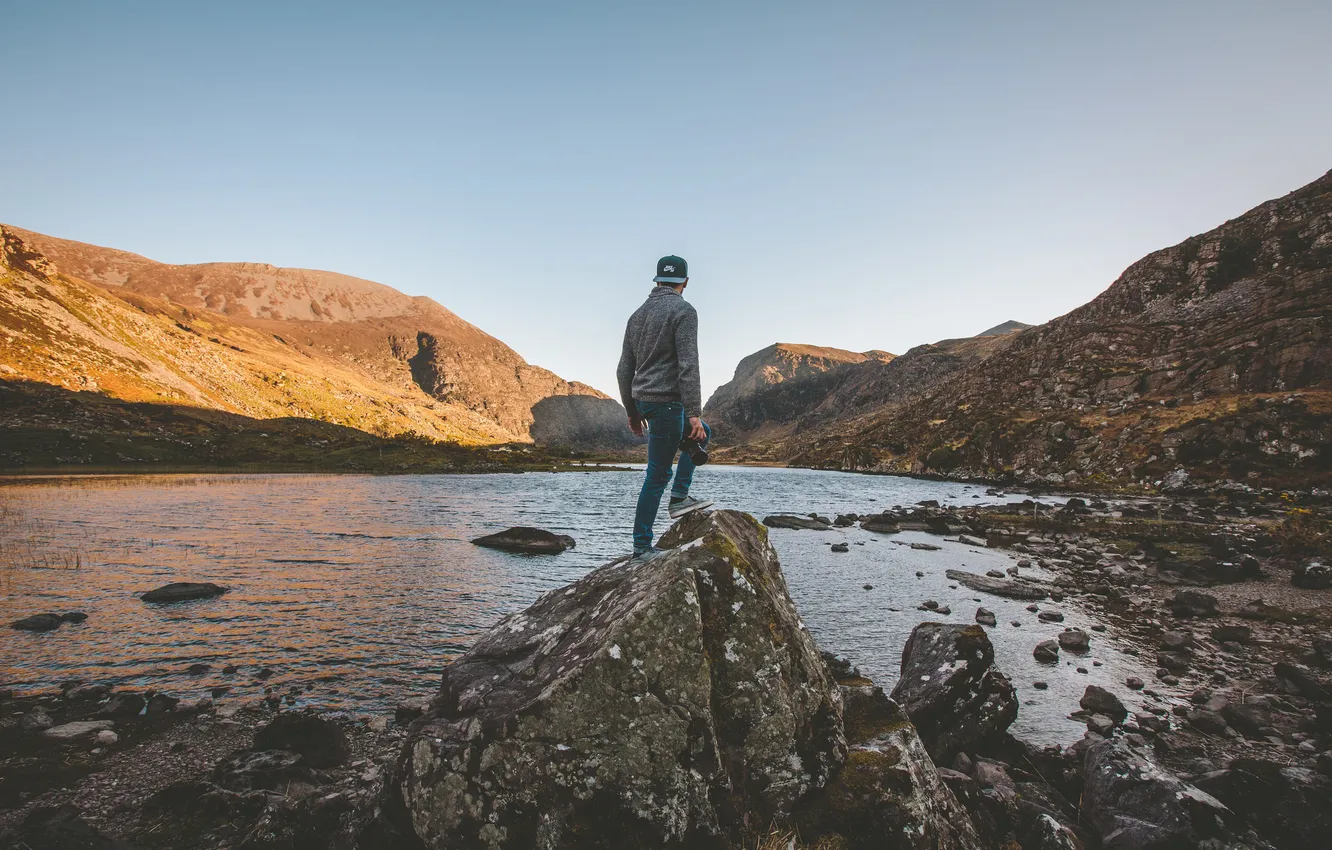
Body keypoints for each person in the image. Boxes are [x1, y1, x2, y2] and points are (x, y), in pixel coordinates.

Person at [617, 254, 714, 557]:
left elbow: (624, 369)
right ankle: (642, 546)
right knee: (658, 473)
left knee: (702, 434)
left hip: (646, 402)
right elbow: (688, 365)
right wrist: (694, 413)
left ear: (657, 280)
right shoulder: (683, 311)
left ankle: (679, 498)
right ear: (685, 282)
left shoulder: (637, 316)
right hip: (668, 404)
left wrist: (633, 411)